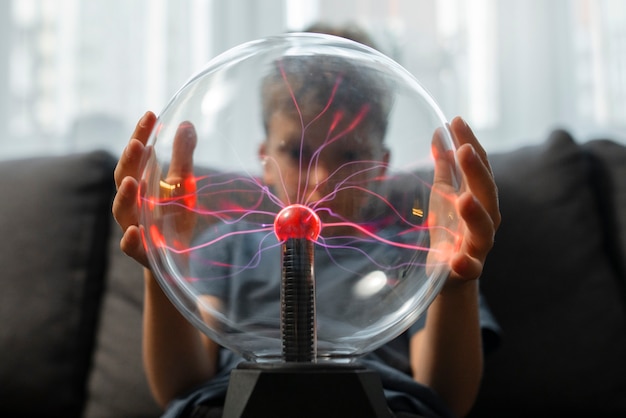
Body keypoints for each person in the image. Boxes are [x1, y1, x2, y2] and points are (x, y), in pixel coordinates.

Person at [113, 35, 501, 418]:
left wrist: (452, 283)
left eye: (350, 155)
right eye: (297, 152)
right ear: (264, 158)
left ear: (381, 165)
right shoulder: (227, 249)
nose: (322, 178)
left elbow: (446, 397)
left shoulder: (417, 255)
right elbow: (181, 387)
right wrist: (163, 263)